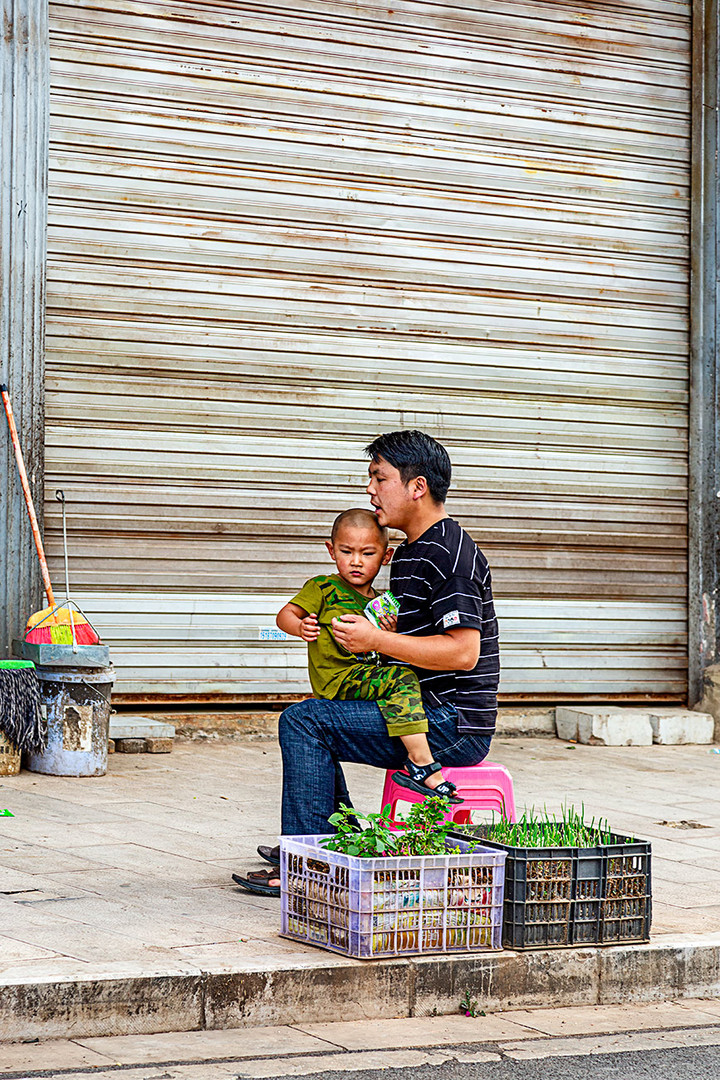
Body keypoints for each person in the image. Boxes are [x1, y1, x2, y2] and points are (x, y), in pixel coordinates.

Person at [232, 429, 500, 897]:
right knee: (317, 716)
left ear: (417, 487)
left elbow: (463, 651)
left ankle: (310, 861)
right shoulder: (415, 551)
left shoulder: (448, 553)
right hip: (418, 707)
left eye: (380, 478)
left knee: (304, 723)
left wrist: (376, 638)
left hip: (450, 724)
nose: (371, 490)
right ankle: (330, 846)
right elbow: (418, 640)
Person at [275, 506, 462, 802]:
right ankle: (422, 761)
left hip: (364, 682)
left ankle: (336, 828)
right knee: (402, 678)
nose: (356, 562)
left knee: (397, 676)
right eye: (347, 552)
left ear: (386, 556)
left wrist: (387, 637)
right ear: (331, 550)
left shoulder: (381, 603)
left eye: (368, 554)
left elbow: (382, 657)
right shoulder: (323, 587)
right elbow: (284, 614)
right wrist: (299, 627)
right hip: (339, 679)